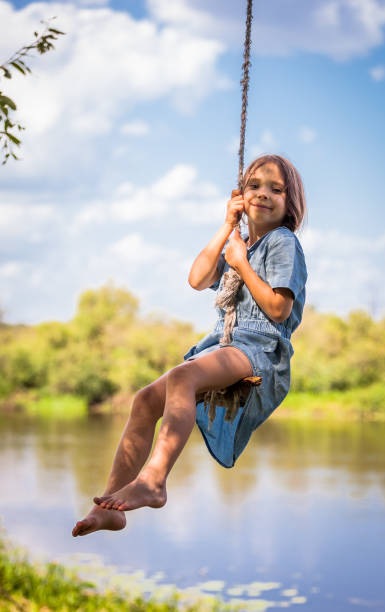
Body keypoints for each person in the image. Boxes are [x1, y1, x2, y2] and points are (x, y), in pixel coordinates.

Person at [72, 154, 307, 537]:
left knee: (183, 377)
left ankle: (154, 480)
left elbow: (279, 310)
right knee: (146, 400)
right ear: (240, 195)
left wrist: (243, 265)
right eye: (254, 186)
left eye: (275, 189)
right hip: (226, 343)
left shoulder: (283, 242)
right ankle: (112, 505)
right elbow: (197, 278)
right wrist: (227, 226)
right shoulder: (239, 243)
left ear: (290, 203)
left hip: (261, 350)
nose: (263, 194)